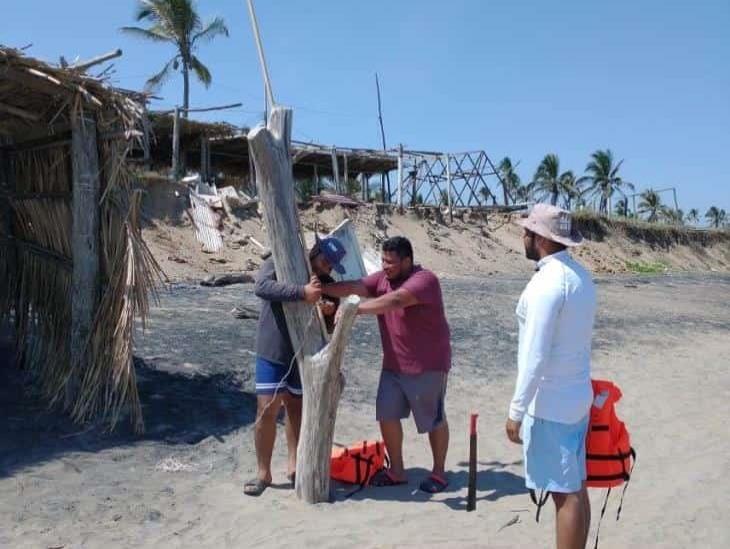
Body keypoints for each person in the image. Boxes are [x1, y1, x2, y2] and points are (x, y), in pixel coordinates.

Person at [323, 236, 452, 493]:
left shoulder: (425, 280)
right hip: (393, 365)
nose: (385, 266)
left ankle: (439, 472)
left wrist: (354, 309)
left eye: (391, 262)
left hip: (426, 365)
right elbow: (356, 286)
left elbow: (395, 301)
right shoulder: (382, 278)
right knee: (386, 414)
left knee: (432, 420)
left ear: (407, 260)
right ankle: (397, 471)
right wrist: (323, 289)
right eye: (383, 260)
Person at [505, 204, 596, 549]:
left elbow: (535, 355)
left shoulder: (548, 284)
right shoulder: (579, 277)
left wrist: (516, 410)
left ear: (540, 238)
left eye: (527, 232)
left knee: (564, 493)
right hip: (576, 397)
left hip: (551, 404)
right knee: (575, 486)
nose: (523, 236)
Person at [244, 237, 347, 496]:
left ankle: (293, 468)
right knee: (266, 410)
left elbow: (332, 327)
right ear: (315, 251)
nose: (326, 269)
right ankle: (263, 474)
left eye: (332, 266)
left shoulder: (329, 286)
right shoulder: (279, 258)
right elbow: (262, 287)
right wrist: (302, 293)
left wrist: (327, 314)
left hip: (306, 356)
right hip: (273, 350)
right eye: (324, 261)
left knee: (296, 410)